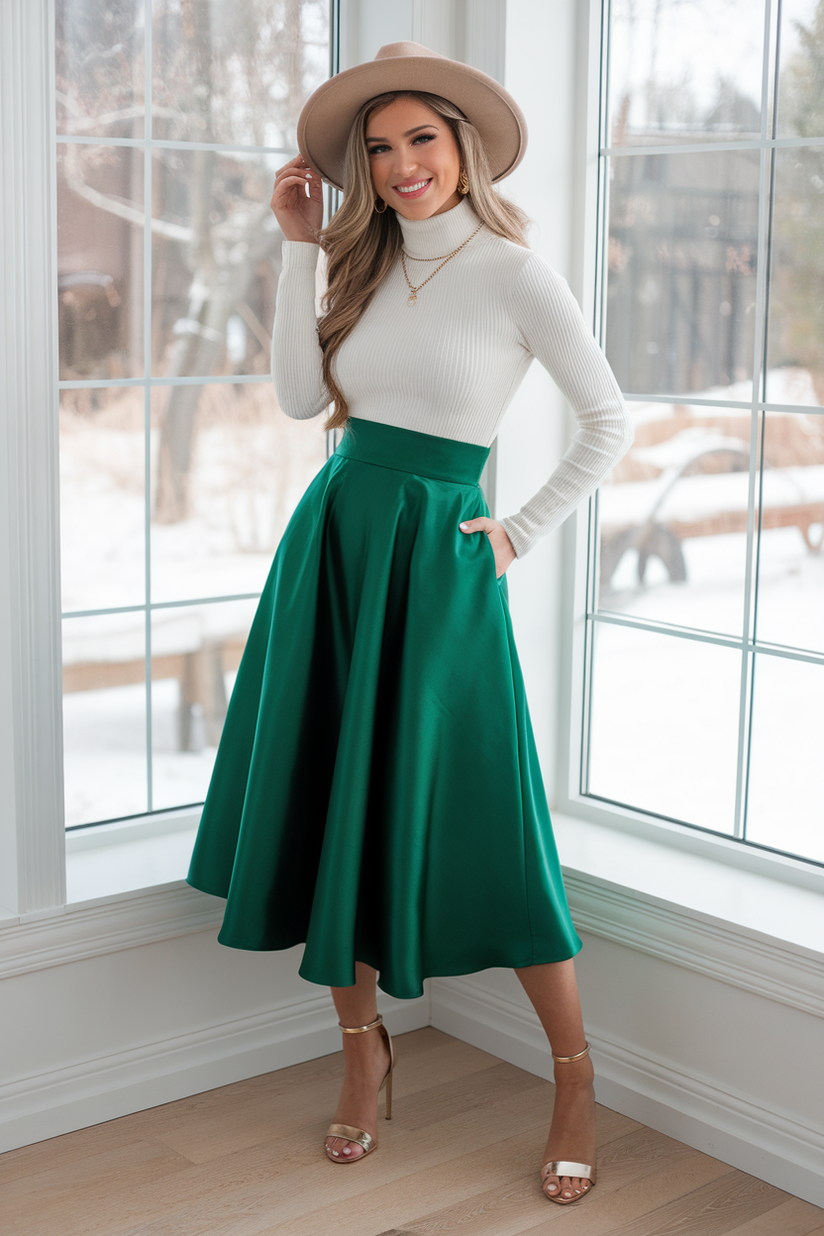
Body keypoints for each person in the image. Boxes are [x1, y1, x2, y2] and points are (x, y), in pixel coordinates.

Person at [186, 42, 633, 1206]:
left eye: (419, 140)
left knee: (488, 814)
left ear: (463, 146)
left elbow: (607, 420)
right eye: (377, 150)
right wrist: (297, 253)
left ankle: (575, 1077)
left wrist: (519, 531)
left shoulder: (515, 273)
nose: (399, 167)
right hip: (333, 543)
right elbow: (298, 399)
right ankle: (361, 1052)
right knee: (341, 790)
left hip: (437, 565)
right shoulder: (360, 266)